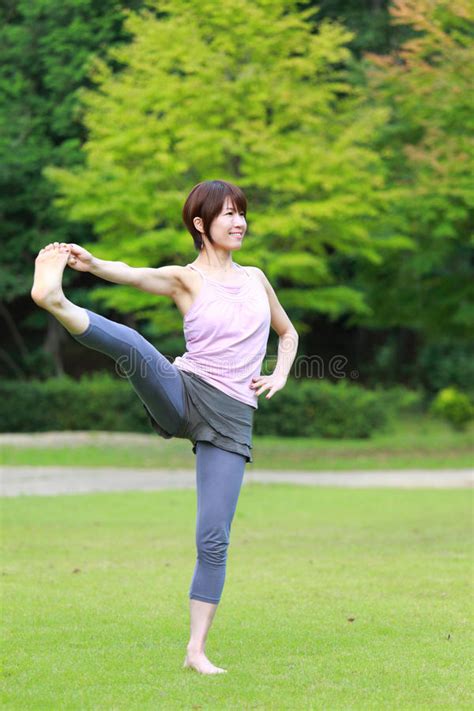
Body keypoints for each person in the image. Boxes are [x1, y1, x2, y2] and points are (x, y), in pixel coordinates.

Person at [31, 179, 299, 675]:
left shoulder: (257, 278)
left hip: (233, 416)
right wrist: (92, 265)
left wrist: (279, 374)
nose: (239, 222)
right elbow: (134, 274)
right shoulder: (185, 278)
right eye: (228, 214)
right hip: (184, 390)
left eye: (242, 213)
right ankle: (55, 301)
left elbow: (288, 331)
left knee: (213, 537)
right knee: (132, 345)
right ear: (201, 224)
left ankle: (196, 651)